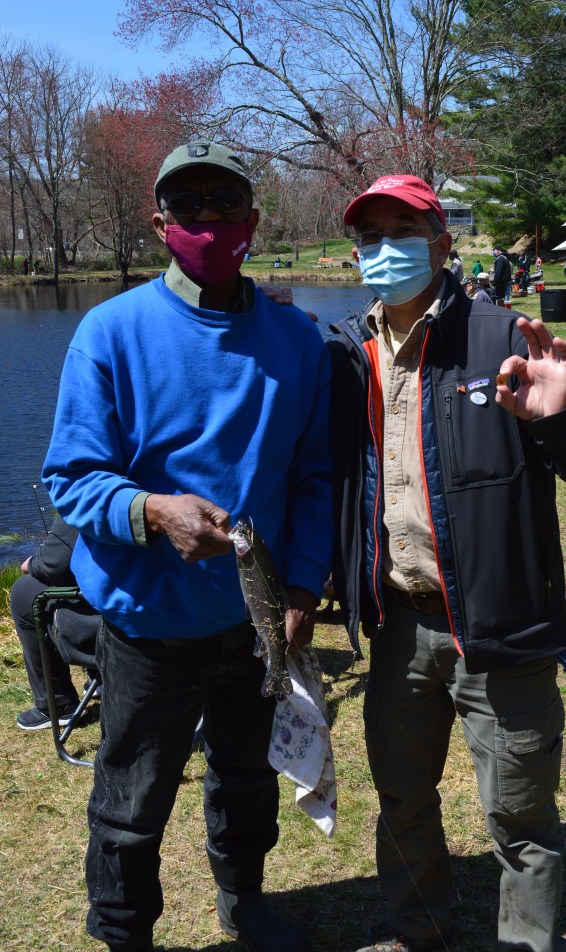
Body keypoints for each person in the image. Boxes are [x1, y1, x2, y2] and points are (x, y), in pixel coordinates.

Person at [42, 138, 333, 952]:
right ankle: (124, 931)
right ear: (159, 222)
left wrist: (302, 587)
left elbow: (315, 479)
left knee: (247, 778)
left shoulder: (298, 340)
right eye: (189, 205)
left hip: (253, 624)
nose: (209, 219)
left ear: (253, 219)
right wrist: (150, 511)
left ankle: (246, 903)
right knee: (132, 799)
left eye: (226, 203)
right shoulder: (110, 332)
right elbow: (71, 478)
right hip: (147, 622)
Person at [327, 173, 566, 952]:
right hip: (397, 625)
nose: (384, 249)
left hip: (501, 627)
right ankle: (415, 928)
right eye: (369, 236)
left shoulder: (503, 338)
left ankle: (524, 942)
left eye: (402, 232)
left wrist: (559, 420)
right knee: (401, 800)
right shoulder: (349, 354)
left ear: (441, 243)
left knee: (519, 817)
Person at [11, 515, 98, 730]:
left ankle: (57, 705)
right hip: (177, 622)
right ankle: (101, 678)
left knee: (25, 590)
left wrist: (33, 563)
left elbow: (54, 564)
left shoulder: (89, 495)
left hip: (127, 632)